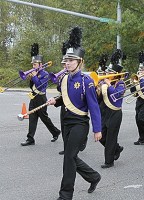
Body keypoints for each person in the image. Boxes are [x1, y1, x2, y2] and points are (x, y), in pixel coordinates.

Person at [48, 27, 102, 200]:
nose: (67, 63)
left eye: (71, 60)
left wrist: (97, 129)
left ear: (79, 62)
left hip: (80, 124)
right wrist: (56, 101)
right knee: (71, 157)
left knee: (69, 158)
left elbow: (93, 106)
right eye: (66, 61)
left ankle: (65, 195)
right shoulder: (64, 79)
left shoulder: (87, 81)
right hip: (66, 122)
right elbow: (67, 98)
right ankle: (93, 177)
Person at [21, 43, 61, 146]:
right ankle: (30, 139)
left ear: (40, 64)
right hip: (33, 97)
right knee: (32, 118)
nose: (33, 66)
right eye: (32, 64)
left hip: (41, 98)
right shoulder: (36, 73)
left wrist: (34, 77)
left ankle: (55, 131)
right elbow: (33, 87)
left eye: (35, 64)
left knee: (44, 118)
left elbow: (40, 87)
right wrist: (31, 78)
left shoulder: (45, 74)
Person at [98, 49, 125, 169]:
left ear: (116, 74)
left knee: (111, 138)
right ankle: (117, 148)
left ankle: (109, 161)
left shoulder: (121, 84)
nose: (107, 74)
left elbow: (116, 95)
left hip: (115, 113)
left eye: (110, 72)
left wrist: (108, 85)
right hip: (105, 112)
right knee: (101, 136)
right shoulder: (105, 82)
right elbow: (99, 98)